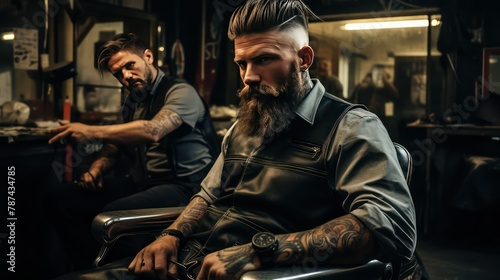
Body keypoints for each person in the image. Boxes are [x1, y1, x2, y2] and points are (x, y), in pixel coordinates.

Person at [54, 1, 419, 279]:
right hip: (188, 261)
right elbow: (207, 195)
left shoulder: (350, 126)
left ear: (304, 58)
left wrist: (259, 252)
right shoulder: (249, 120)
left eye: (263, 60)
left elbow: (392, 226)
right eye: (242, 64)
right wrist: (170, 236)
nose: (248, 77)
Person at [45, 33, 219, 275]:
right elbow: (115, 145)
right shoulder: (132, 102)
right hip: (145, 184)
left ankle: (130, 271)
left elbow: (153, 130)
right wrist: (97, 168)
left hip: (185, 186)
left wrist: (90, 131)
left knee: (113, 215)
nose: (125, 75)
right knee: (62, 198)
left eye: (130, 65)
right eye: (118, 73)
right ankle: (88, 270)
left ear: (148, 57)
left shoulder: (180, 91)